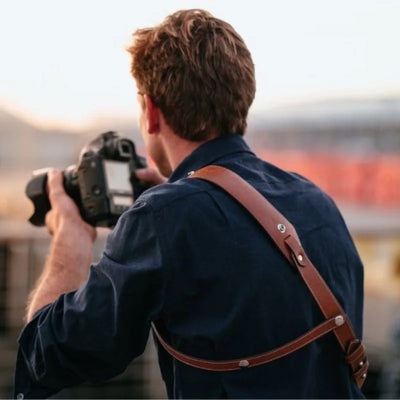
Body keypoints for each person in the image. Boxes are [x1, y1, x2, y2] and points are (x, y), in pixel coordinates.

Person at [14, 9, 365, 399]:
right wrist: (186, 197)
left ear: (151, 111)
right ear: (241, 98)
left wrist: (71, 238)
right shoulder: (317, 202)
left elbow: (49, 355)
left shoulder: (163, 218)